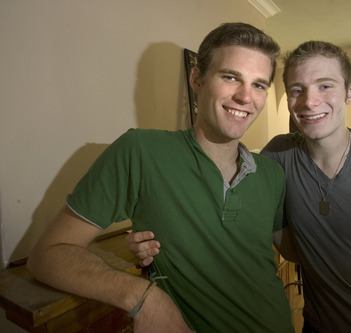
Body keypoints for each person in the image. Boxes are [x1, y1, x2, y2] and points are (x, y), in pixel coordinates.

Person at [130, 41, 351, 333]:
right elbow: (219, 194)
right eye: (297, 90)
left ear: (350, 91)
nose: (310, 102)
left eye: (325, 86)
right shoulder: (277, 158)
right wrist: (152, 238)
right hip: (318, 325)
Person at [27, 22, 297, 333]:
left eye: (259, 85)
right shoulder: (141, 151)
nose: (245, 97)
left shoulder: (272, 174)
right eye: (230, 77)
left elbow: (291, 250)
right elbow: (47, 254)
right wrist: (142, 296)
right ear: (197, 78)